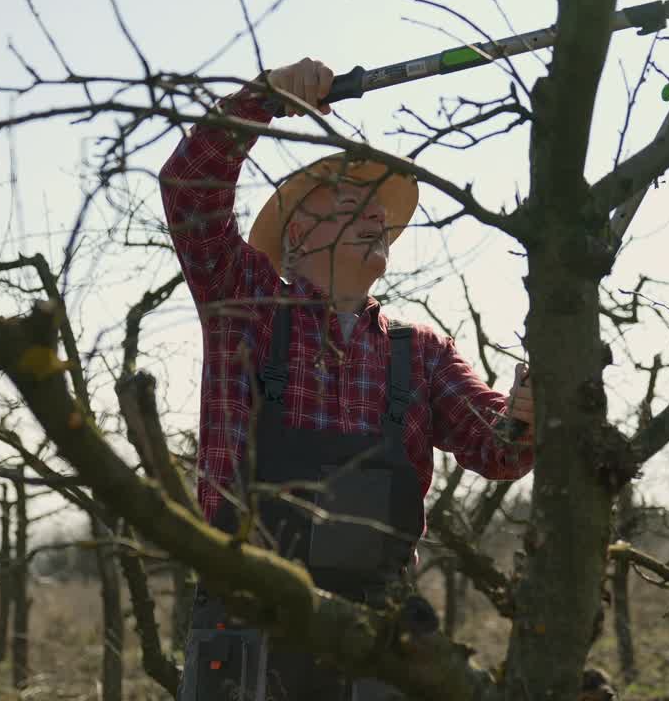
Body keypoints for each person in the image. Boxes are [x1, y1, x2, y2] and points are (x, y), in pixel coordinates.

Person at [160, 57, 535, 701]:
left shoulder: (419, 354)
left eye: (381, 214)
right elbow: (189, 188)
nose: (376, 218)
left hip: (375, 634)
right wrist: (262, 99)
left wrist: (532, 406)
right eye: (354, 202)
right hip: (247, 617)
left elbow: (498, 448)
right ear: (299, 232)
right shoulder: (243, 301)